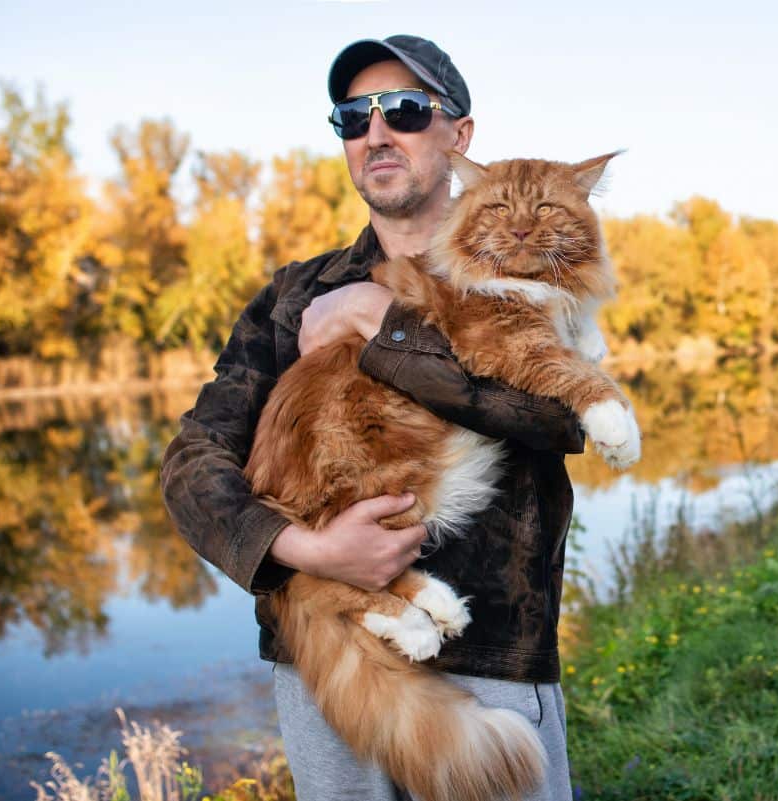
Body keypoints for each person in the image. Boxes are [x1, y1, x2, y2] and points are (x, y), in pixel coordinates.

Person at [161, 34, 582, 801]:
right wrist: (309, 548)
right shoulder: (294, 295)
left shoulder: (525, 262)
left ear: (460, 136)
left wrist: (385, 322)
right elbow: (192, 464)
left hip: (493, 655)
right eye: (353, 118)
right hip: (329, 663)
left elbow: (556, 415)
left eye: (405, 110)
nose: (377, 133)